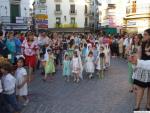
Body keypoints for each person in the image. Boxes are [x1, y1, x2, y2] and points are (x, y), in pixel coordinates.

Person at [131, 29, 150, 111]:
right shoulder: (142, 44)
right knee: (140, 88)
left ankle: (148, 104)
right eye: (144, 34)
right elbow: (138, 55)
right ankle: (137, 105)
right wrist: (135, 66)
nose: (144, 36)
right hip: (142, 68)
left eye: (145, 34)